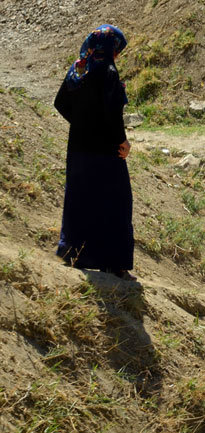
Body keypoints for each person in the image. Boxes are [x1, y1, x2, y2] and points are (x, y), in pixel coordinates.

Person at [54, 24, 135, 281]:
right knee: (116, 204)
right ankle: (114, 264)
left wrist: (82, 122)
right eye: (118, 49)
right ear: (112, 47)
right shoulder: (108, 72)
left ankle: (74, 256)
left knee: (80, 201)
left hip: (78, 149)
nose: (118, 54)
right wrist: (122, 142)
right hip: (105, 152)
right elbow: (113, 113)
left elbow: (60, 103)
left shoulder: (79, 68)